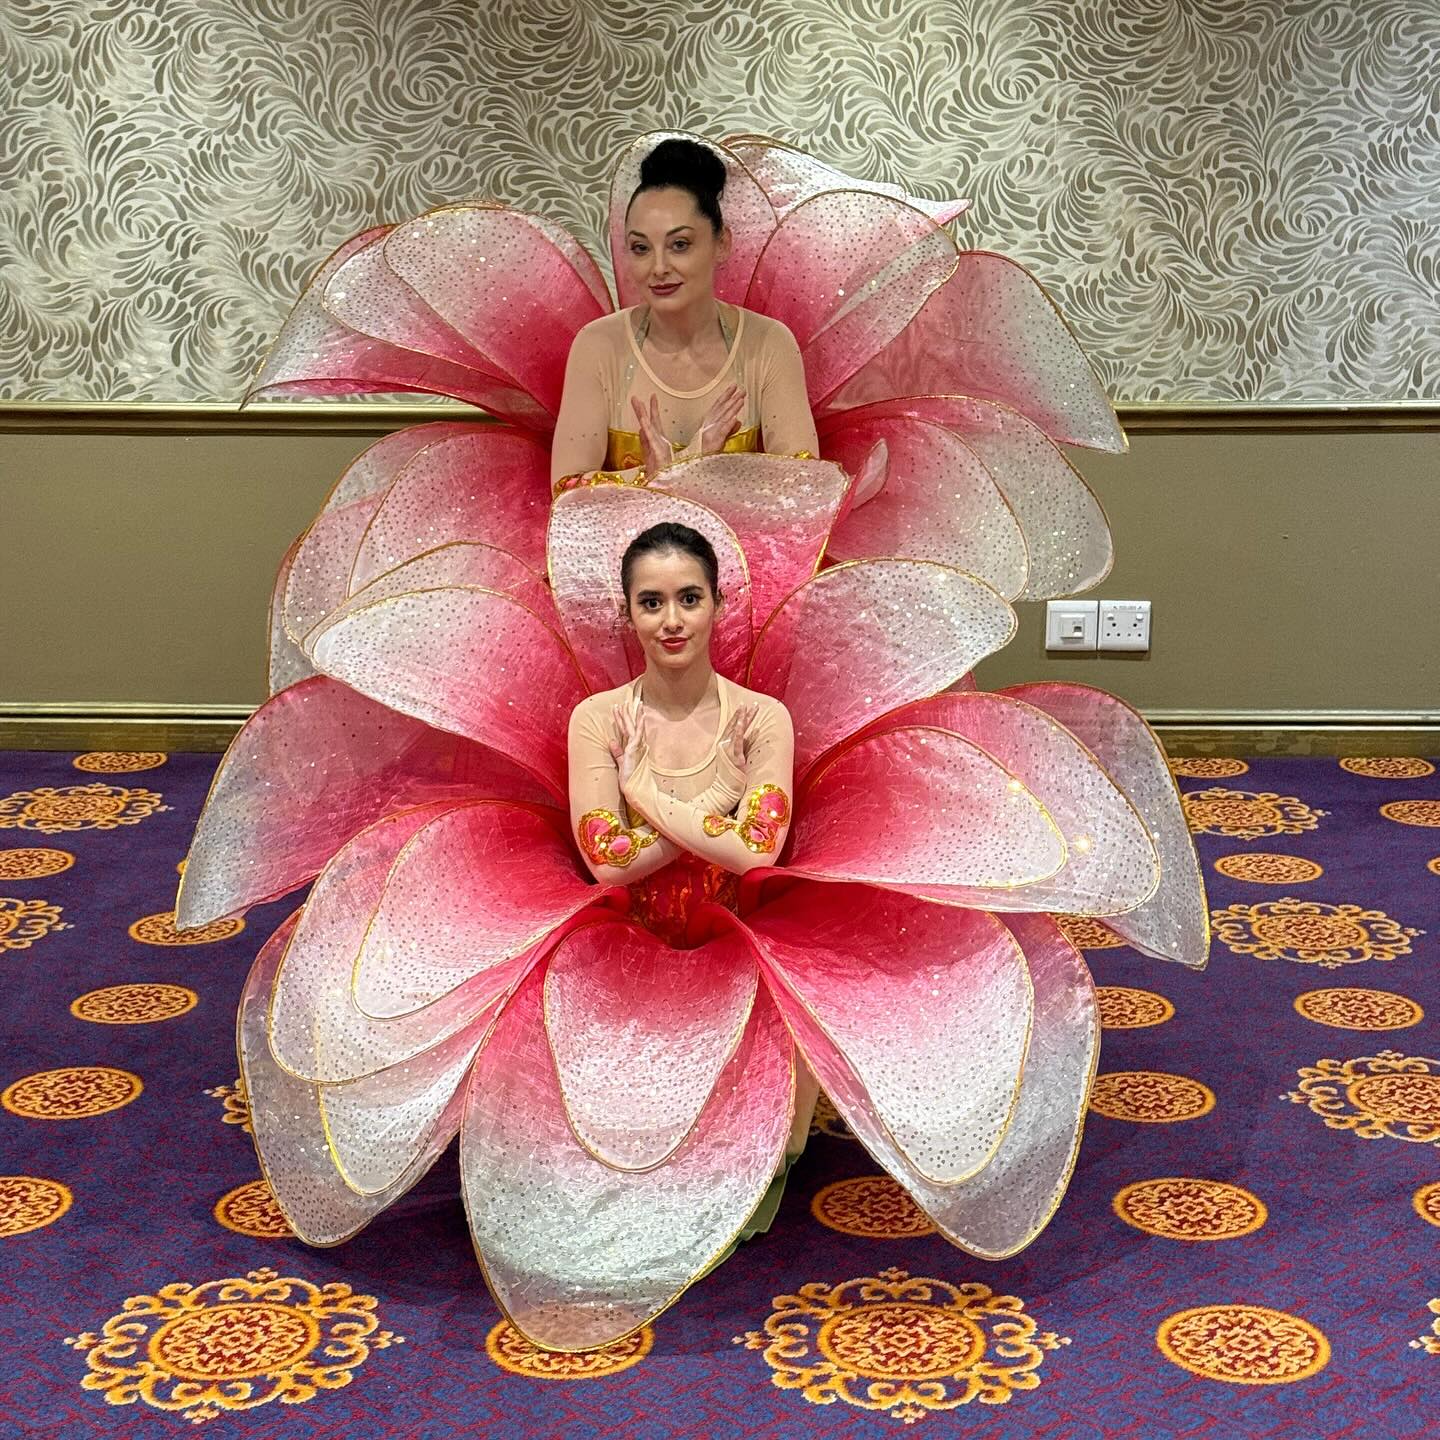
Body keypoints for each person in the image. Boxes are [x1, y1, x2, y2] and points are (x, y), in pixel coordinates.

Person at [567, 519, 816, 1247]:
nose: (671, 620)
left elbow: (757, 851)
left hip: (736, 941)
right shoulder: (599, 720)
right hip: (627, 944)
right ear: (628, 613)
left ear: (717, 605)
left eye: (688, 598)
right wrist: (715, 810)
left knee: (765, 1145)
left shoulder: (762, 718)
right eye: (651, 603)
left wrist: (645, 795)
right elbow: (608, 861)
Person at [550, 137, 819, 492]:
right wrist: (682, 464)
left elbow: (804, 486)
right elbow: (566, 491)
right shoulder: (598, 345)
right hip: (623, 532)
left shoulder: (768, 343)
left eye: (679, 245)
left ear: (722, 243)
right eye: (641, 248)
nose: (659, 267)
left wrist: (673, 472)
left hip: (746, 531)